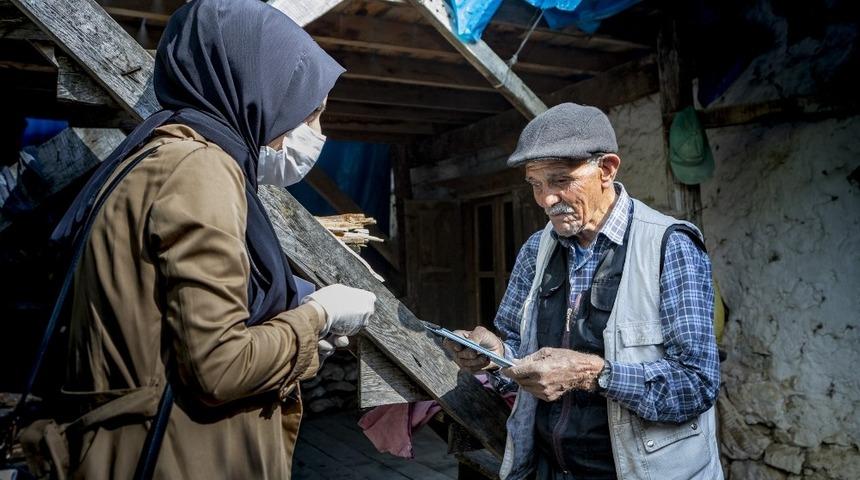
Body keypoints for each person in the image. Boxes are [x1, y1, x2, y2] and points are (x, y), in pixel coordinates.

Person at [45, 0, 375, 478]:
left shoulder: (154, 152)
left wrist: (291, 325)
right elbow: (220, 368)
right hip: (176, 456)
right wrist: (317, 317)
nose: (308, 134)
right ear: (255, 87)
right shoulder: (199, 169)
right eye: (306, 113)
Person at [444, 103, 722, 480]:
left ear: (606, 169)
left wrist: (591, 374)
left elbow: (696, 385)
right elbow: (515, 346)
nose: (545, 199)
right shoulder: (536, 250)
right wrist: (495, 355)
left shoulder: (669, 246)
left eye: (560, 181)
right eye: (536, 184)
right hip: (550, 469)